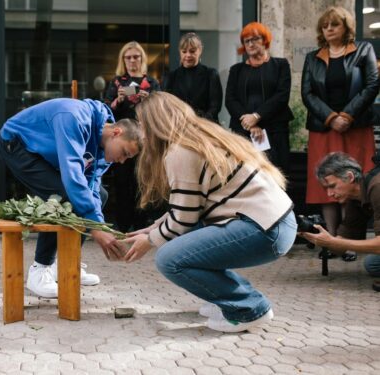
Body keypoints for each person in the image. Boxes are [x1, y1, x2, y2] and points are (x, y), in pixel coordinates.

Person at [123, 92, 297, 332]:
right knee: (186, 238)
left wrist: (149, 241)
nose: (141, 133)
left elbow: (182, 220)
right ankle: (224, 300)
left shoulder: (179, 152)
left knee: (169, 259)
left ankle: (249, 309)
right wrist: (154, 228)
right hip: (276, 223)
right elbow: (190, 207)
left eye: (142, 125)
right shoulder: (201, 137)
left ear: (155, 124)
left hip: (264, 229)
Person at [0, 98, 142, 298]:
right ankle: (40, 270)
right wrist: (95, 229)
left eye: (128, 158)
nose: (122, 161)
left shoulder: (103, 150)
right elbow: (72, 176)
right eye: (124, 153)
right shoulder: (74, 117)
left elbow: (91, 188)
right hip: (16, 143)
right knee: (62, 196)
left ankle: (66, 262)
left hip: (43, 151)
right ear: (116, 132)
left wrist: (99, 226)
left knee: (100, 194)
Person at [301, 6, 379, 262]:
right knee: (326, 182)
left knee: (352, 180)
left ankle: (350, 241)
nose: (329, 29)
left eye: (334, 25)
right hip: (324, 128)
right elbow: (307, 93)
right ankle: (330, 239)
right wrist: (331, 117)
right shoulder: (313, 57)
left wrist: (347, 115)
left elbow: (372, 84)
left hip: (355, 126)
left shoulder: (363, 50)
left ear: (346, 27)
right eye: (325, 26)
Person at [300, 152, 380, 291]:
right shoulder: (355, 199)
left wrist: (333, 242)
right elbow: (340, 245)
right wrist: (313, 234)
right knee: (372, 264)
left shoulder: (377, 187)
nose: (329, 194)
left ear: (349, 177)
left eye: (332, 186)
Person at [104, 41, 161, 233]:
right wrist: (118, 100)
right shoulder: (117, 82)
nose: (132, 60)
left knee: (143, 182)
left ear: (142, 59)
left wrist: (148, 100)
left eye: (136, 56)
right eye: (128, 57)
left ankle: (140, 224)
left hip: (145, 140)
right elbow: (106, 111)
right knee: (121, 183)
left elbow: (160, 110)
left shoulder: (151, 83)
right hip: (121, 140)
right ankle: (122, 224)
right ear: (123, 60)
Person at [225, 22, 293, 174]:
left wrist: (256, 116)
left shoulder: (281, 65)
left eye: (255, 39)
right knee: (243, 175)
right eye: (247, 41)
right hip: (243, 132)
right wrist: (250, 123)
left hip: (275, 130)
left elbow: (282, 96)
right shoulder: (236, 70)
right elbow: (230, 99)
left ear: (265, 40)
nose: (250, 44)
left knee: (276, 175)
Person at [164, 32, 223, 123]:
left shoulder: (211, 74)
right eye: (184, 51)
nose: (188, 55)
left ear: (200, 50)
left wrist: (199, 123)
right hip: (179, 127)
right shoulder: (171, 77)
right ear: (180, 52)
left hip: (206, 127)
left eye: (192, 51)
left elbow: (215, 106)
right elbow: (167, 106)